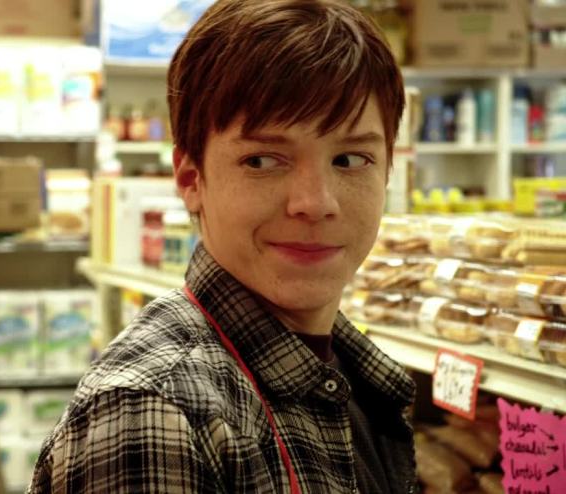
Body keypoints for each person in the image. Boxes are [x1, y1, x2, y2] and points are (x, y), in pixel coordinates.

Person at [30, 0, 416, 492]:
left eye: (350, 159)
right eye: (262, 161)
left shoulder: (351, 375)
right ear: (191, 178)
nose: (316, 203)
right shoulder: (153, 411)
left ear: (388, 169)